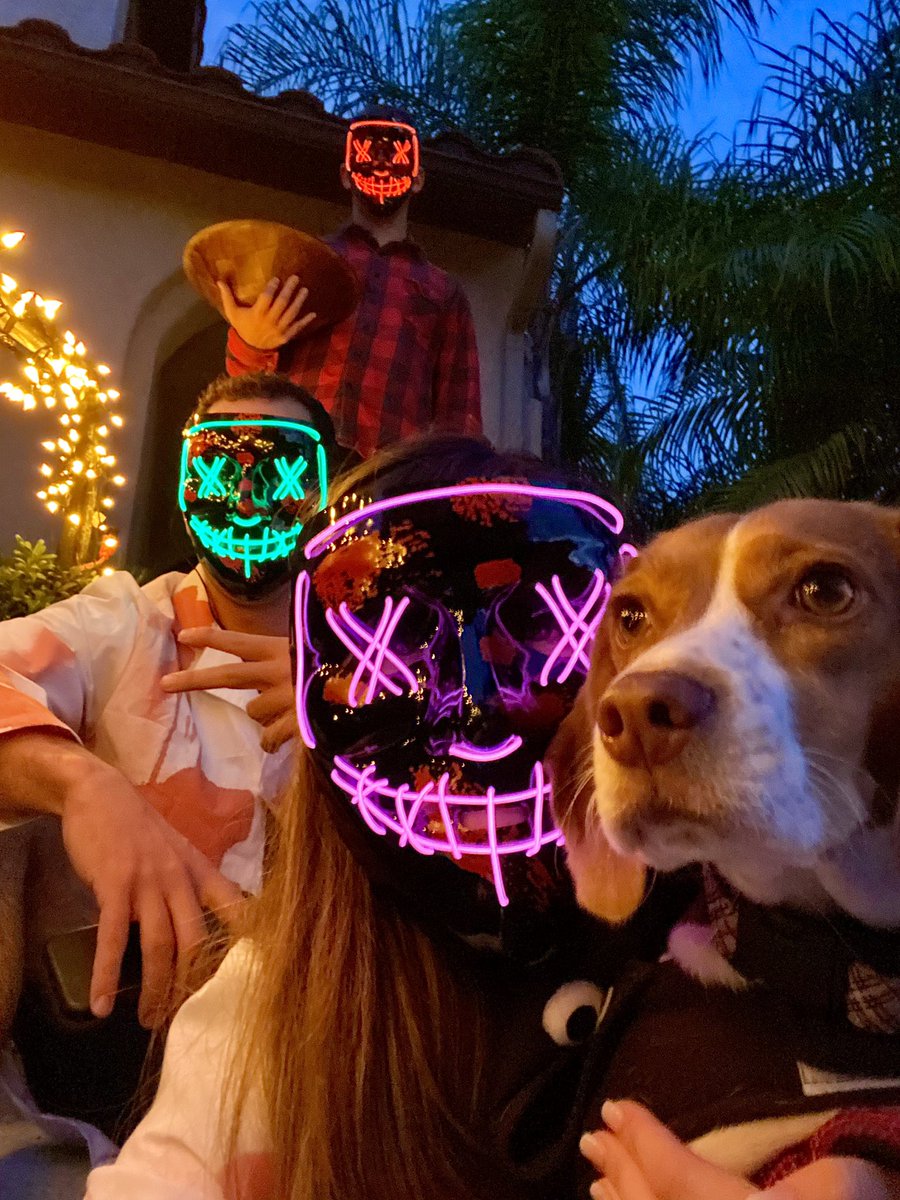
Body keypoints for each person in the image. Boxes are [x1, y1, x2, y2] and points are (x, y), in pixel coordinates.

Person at [84, 434, 690, 1200]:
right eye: (398, 638)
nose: (482, 715)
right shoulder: (278, 1009)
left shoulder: (733, 948)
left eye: (541, 624)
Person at [0, 371, 334, 1029]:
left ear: (323, 489)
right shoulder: (125, 623)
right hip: (137, 1030)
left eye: (279, 469)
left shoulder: (378, 659)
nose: (245, 496)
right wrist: (82, 784)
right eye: (219, 468)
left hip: (325, 1024)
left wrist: (350, 706)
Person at [220, 106, 482, 459]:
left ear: (418, 179)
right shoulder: (303, 260)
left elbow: (460, 420)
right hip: (296, 466)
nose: (381, 165)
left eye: (396, 156)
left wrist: (453, 480)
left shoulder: (444, 292)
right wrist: (250, 341)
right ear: (346, 174)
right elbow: (246, 385)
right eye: (367, 154)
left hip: (390, 478)